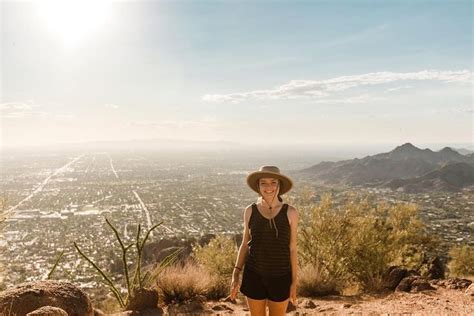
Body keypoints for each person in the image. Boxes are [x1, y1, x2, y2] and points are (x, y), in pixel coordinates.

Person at [230, 166, 298, 316]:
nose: (269, 187)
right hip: (254, 275)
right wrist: (236, 274)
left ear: (279, 184)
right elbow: (245, 244)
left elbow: (293, 248)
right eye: (263, 183)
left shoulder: (290, 212)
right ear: (258, 186)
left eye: (273, 182)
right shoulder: (250, 211)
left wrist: (294, 282)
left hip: (281, 277)